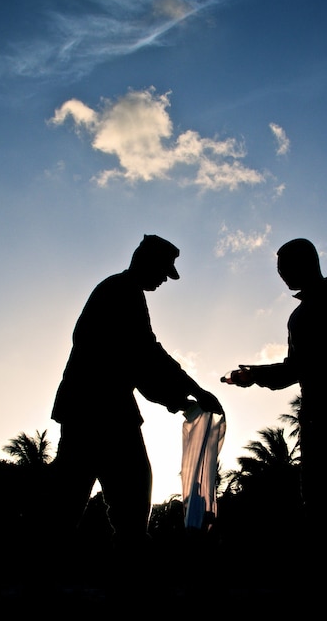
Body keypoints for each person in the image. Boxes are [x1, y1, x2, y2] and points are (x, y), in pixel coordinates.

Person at [222, 238, 327, 621]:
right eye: (279, 271)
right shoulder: (299, 314)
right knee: (320, 505)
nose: (282, 276)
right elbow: (297, 369)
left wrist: (257, 375)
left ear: (308, 263)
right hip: (317, 417)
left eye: (286, 268)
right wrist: (255, 375)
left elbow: (307, 365)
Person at [51, 234, 223, 551]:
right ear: (147, 262)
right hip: (103, 414)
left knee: (69, 503)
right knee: (127, 499)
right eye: (163, 271)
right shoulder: (122, 292)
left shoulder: (120, 291)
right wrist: (193, 391)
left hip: (92, 411)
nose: (163, 280)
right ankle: (131, 581)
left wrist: (181, 400)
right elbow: (145, 356)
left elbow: (139, 363)